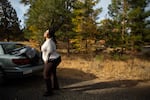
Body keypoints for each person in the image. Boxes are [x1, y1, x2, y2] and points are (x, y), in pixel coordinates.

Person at [41, 30, 61, 96]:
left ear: (48, 35)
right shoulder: (49, 41)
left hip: (52, 59)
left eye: (46, 32)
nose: (44, 32)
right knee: (53, 72)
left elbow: (49, 52)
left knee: (46, 74)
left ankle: (49, 92)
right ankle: (56, 87)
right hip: (55, 58)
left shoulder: (49, 41)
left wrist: (46, 60)